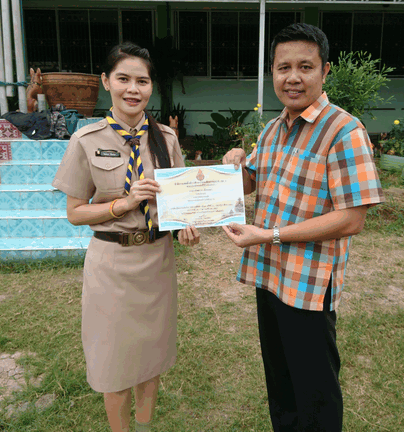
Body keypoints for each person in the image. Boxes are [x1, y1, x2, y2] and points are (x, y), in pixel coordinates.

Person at [222, 23, 385, 432]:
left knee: (315, 392)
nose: (293, 77)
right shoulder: (274, 129)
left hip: (309, 283)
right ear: (272, 73)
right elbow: (250, 182)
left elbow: (352, 218)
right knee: (281, 384)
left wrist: (269, 235)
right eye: (283, 68)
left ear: (325, 71)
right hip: (270, 275)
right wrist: (234, 166)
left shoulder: (343, 131)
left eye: (305, 67)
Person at [52, 42, 200, 432]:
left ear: (151, 86)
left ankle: (145, 426)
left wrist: (185, 227)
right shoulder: (86, 140)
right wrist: (124, 203)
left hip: (157, 262)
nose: (133, 89)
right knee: (112, 363)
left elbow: (180, 202)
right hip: (112, 266)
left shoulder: (165, 138)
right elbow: (75, 213)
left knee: (150, 358)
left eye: (142, 81)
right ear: (106, 82)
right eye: (123, 79)